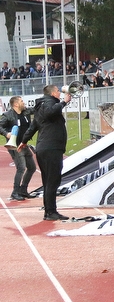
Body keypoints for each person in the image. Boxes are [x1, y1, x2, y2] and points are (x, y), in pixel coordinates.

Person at [18, 85, 72, 221]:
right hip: (51, 148)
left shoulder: (40, 106)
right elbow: (50, 112)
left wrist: (24, 141)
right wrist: (64, 102)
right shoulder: (48, 104)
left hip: (44, 148)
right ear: (53, 93)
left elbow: (33, 127)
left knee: (48, 181)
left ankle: (49, 211)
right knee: (53, 181)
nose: (60, 92)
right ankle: (50, 212)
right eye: (58, 91)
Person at [2, 97, 36, 201]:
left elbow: (36, 109)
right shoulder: (7, 115)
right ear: (16, 104)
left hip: (24, 144)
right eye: (21, 101)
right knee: (21, 168)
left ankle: (23, 190)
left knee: (32, 167)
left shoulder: (25, 112)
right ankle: (15, 192)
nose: (24, 103)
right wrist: (6, 133)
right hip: (14, 146)